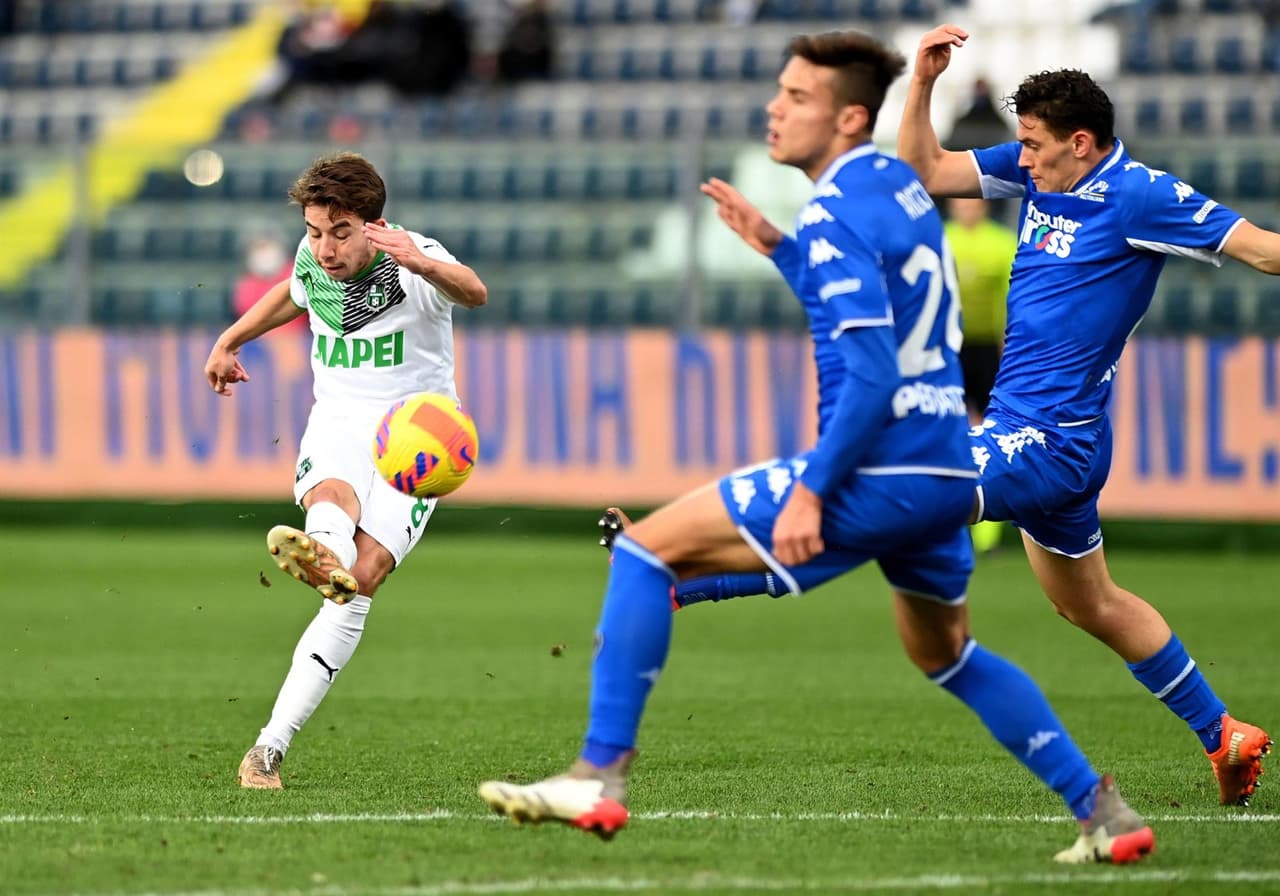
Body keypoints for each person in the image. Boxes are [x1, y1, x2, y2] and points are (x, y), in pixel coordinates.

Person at [478, 31, 1154, 864]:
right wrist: (779, 247)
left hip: (884, 464)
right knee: (947, 654)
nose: (775, 106)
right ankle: (1103, 810)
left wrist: (812, 491)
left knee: (647, 553)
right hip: (944, 468)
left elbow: (870, 377)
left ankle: (599, 772)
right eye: (780, 91)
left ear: (848, 118)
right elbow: (888, 306)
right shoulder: (892, 190)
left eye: (797, 97)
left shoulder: (837, 207)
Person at [895, 24, 1273, 806]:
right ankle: (1223, 734)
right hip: (1044, 434)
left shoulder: (1141, 195)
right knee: (1086, 603)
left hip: (1045, 439)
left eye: (1032, 144)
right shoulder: (1038, 176)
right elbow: (923, 168)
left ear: (1081, 142)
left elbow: (1264, 251)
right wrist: (923, 82)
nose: (1020, 157)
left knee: (901, 490)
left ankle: (687, 583)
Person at [203, 151, 488, 789]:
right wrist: (231, 339)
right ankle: (267, 752)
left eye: (340, 232)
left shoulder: (412, 257)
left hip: (417, 441)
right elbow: (292, 293)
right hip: (337, 421)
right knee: (330, 500)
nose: (325, 248)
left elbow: (475, 292)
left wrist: (423, 262)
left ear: (372, 224)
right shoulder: (313, 262)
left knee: (362, 583)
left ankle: (271, 740)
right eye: (314, 230)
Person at [945, 197, 1015, 554]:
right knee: (946, 433)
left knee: (996, 435)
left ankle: (988, 536)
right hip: (948, 350)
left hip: (988, 349)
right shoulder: (940, 238)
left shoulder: (1002, 243)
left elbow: (1012, 298)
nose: (967, 208)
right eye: (961, 201)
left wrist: (1010, 347)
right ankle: (946, 525)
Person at [231, 234, 304, 334]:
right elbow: (249, 320)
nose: (266, 256)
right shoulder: (247, 285)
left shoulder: (297, 273)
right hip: (260, 340)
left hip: (300, 337)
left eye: (268, 249)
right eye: (260, 249)